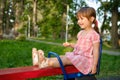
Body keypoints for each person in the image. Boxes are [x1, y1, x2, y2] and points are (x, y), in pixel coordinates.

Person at [32, 7, 100, 75]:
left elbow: (96, 51)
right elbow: (78, 46)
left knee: (66, 60)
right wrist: (70, 44)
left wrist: (94, 65)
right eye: (78, 19)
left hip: (85, 60)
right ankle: (42, 60)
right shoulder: (80, 33)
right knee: (62, 57)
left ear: (91, 19)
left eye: (82, 19)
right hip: (77, 56)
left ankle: (45, 63)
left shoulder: (94, 35)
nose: (79, 21)